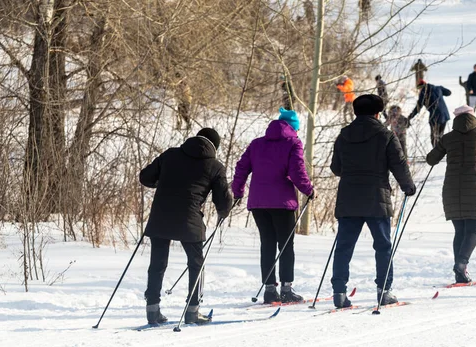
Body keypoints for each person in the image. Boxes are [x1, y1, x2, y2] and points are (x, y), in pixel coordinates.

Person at [330, 94, 416, 308]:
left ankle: (339, 293)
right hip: (377, 197)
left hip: (348, 197)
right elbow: (398, 164)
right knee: (383, 246)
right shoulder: (385, 135)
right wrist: (408, 186)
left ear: (356, 112)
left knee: (343, 246)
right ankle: (384, 291)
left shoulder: (344, 135)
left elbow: (336, 168)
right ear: (378, 113)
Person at [140, 128, 233, 325]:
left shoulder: (170, 154)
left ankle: (152, 310)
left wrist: (164, 182)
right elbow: (223, 202)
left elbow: (145, 177)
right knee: (196, 263)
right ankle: (192, 311)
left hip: (160, 217)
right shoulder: (215, 166)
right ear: (214, 147)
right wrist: (224, 211)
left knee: (157, 264)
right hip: (189, 220)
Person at [232, 108, 314, 304]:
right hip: (282, 203)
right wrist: (309, 190)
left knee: (267, 244)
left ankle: (269, 290)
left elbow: (241, 168)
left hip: (258, 203)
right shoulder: (293, 143)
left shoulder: (257, 144)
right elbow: (297, 172)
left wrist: (238, 192)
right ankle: (286, 289)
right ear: (294, 128)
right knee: (286, 246)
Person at [426, 106, 476, 283]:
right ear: (473, 118)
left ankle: (460, 273)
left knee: (460, 230)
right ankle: (461, 265)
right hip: (474, 187)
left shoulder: (448, 138)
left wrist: (442, 145)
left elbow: (431, 159)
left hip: (451, 188)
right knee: (474, 229)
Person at [408, 79, 451, 148]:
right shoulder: (438, 88)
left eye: (419, 89)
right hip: (445, 115)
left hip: (435, 116)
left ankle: (437, 153)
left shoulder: (423, 93)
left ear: (421, 87)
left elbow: (418, 108)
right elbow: (449, 93)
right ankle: (442, 151)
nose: (419, 90)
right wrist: (441, 90)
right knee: (440, 135)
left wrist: (409, 117)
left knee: (434, 137)